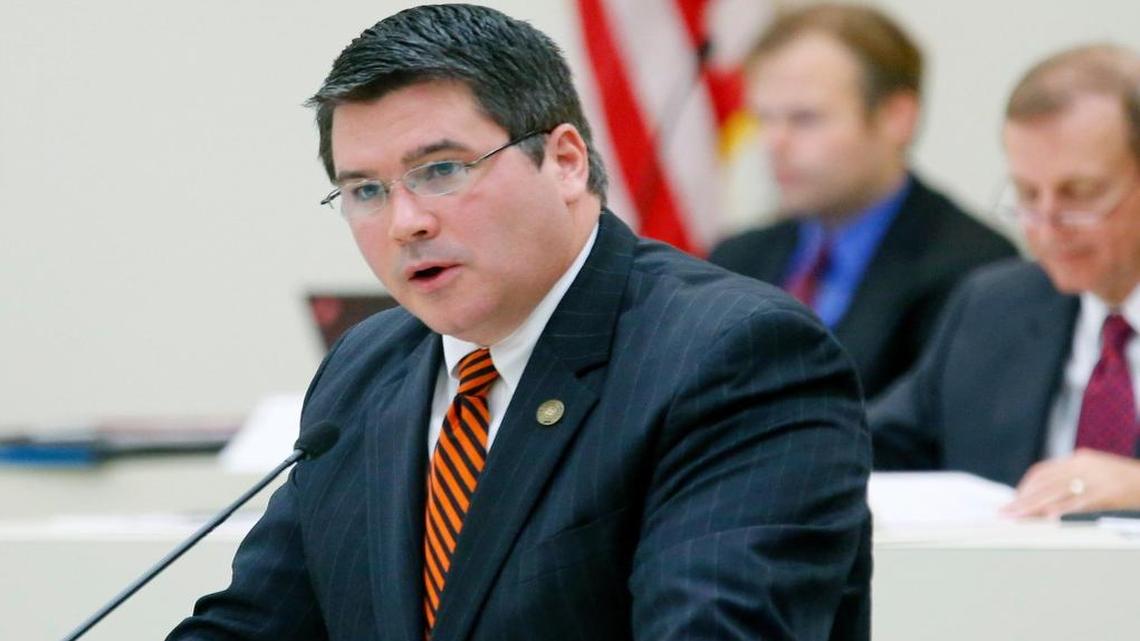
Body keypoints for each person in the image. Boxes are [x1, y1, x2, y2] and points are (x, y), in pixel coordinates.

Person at [168, 5, 871, 640]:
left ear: (564, 161)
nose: (406, 221)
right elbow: (256, 624)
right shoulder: (367, 368)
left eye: (441, 169)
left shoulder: (735, 356)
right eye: (366, 190)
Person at [871, 44, 1140, 519]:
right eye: (1027, 194)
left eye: (1080, 194)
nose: (1047, 224)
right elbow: (872, 446)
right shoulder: (995, 307)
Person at [708, 3, 1016, 400]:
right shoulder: (735, 259)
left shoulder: (973, 269)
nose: (774, 143)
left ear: (896, 117)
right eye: (764, 118)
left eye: (805, 118)